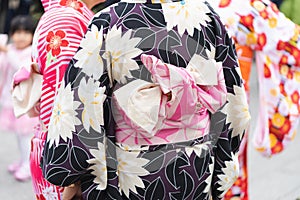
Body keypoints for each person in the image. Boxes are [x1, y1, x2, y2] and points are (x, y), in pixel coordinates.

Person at [41, 0, 251, 199]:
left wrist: (72, 175)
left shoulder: (110, 20)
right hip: (196, 166)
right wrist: (222, 164)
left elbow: (82, 101)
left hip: (130, 171)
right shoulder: (207, 17)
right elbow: (234, 105)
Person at [209, 0, 300, 199]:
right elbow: (293, 41)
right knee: (227, 177)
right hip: (230, 116)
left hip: (174, 120)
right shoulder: (245, 8)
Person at [29, 0, 104, 199]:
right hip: (65, 154)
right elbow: (63, 94)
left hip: (65, 149)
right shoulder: (66, 19)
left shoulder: (69, 14)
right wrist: (70, 176)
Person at [0, 15, 39, 182]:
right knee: (17, 134)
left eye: (25, 32)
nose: (21, 36)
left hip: (25, 102)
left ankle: (28, 166)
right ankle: (23, 160)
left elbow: (21, 70)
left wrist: (7, 52)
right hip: (10, 100)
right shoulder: (10, 49)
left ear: (32, 35)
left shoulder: (31, 52)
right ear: (11, 34)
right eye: (17, 32)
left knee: (25, 136)